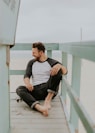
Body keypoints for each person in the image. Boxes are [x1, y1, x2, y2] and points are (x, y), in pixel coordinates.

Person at [16, 42, 67, 116]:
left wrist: (60, 66)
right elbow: (27, 75)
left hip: (48, 88)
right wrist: (28, 83)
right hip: (35, 90)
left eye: (34, 52)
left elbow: (65, 71)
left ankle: (47, 101)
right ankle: (40, 108)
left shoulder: (51, 62)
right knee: (19, 89)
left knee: (58, 69)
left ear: (41, 52)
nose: (32, 54)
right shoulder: (31, 62)